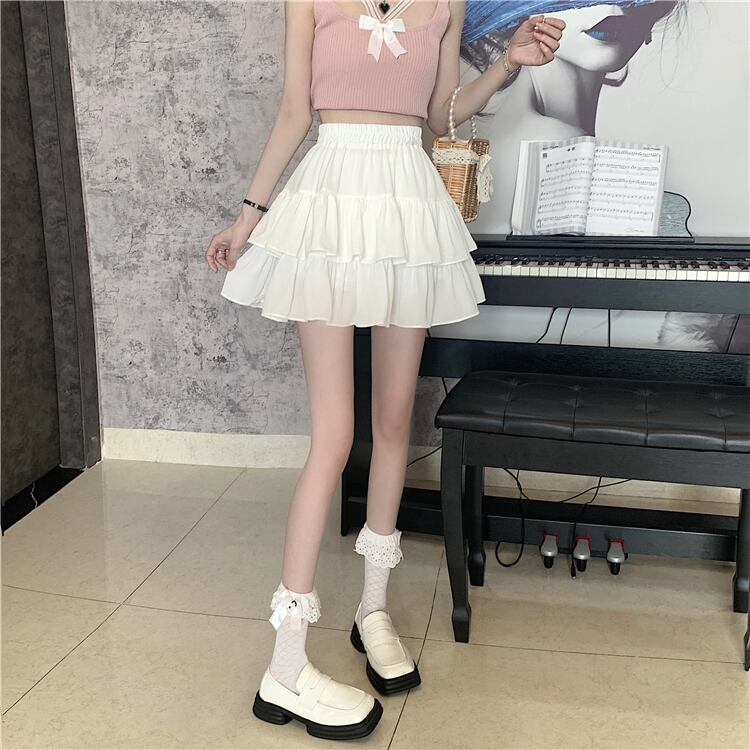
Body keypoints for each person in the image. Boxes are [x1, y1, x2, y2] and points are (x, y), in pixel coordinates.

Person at [205, 0, 564, 740]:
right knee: (335, 437)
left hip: (407, 199)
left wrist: (505, 64)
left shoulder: (447, 3)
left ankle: (372, 611)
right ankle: (286, 663)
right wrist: (248, 216)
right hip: (331, 198)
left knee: (397, 422)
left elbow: (440, 115)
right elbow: (294, 112)